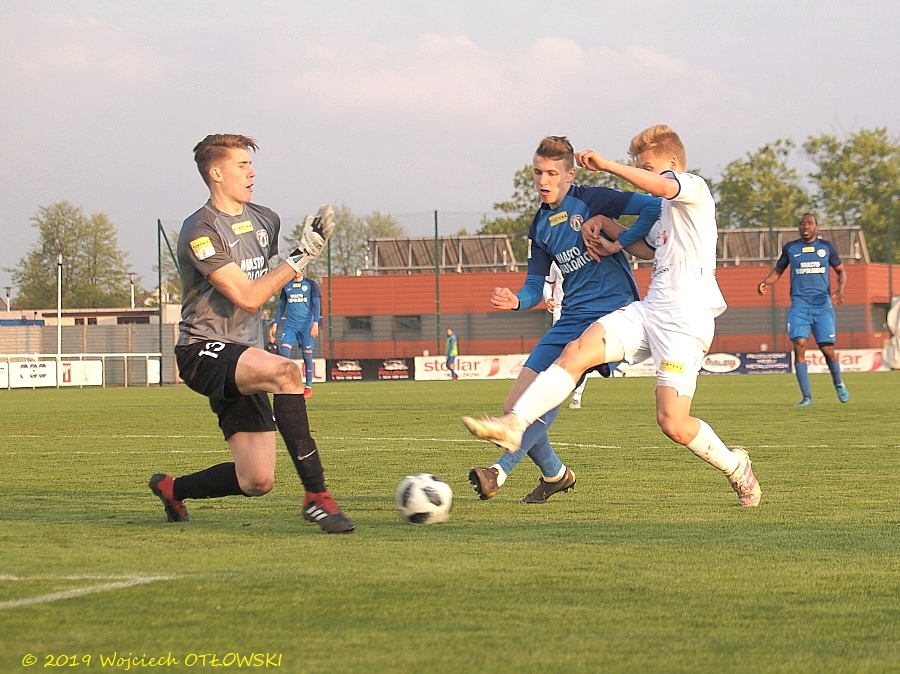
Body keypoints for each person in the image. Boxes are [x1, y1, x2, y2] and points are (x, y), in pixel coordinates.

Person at [462, 125, 762, 507]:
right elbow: (647, 249)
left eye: (647, 167)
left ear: (672, 164)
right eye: (538, 172)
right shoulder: (664, 213)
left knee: (673, 422)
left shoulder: (694, 189)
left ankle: (736, 466)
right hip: (649, 310)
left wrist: (607, 166)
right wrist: (611, 233)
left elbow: (658, 189)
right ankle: (515, 426)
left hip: (686, 321)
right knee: (575, 351)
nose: (643, 174)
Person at [148, 133, 355, 533]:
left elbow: (268, 282)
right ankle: (317, 498)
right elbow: (247, 296)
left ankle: (172, 488)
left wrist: (294, 263)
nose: (252, 172)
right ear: (216, 173)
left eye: (250, 164)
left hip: (245, 352)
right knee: (288, 373)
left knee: (257, 480)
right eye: (242, 165)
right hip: (202, 350)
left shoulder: (266, 219)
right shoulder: (199, 230)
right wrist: (301, 256)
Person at [466, 135, 661, 504]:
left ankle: (497, 472)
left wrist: (618, 238)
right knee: (513, 408)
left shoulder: (593, 200)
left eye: (552, 173)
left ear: (570, 175)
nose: (543, 180)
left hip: (609, 317)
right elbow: (534, 286)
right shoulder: (540, 226)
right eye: (538, 172)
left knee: (544, 397)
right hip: (570, 319)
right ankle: (555, 475)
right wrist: (516, 301)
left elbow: (654, 205)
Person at [757, 213, 849, 407]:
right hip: (799, 305)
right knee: (799, 344)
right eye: (802, 223)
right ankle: (807, 397)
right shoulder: (791, 248)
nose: (805, 226)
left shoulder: (826, 247)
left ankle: (838, 382)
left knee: (827, 350)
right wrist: (766, 282)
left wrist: (840, 290)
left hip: (822, 305)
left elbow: (841, 271)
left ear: (816, 227)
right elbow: (778, 270)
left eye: (809, 223)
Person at [269, 269, 321, 398]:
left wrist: (315, 323)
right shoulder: (287, 285)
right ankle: (287, 383)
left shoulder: (311, 284)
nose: (298, 270)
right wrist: (275, 323)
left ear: (303, 269)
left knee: (307, 357)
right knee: (284, 353)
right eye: (296, 268)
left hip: (306, 326)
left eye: (300, 268)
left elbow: (317, 305)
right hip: (290, 326)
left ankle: (308, 387)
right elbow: (281, 307)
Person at [543, 262, 588, 409]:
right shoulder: (555, 260)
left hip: (583, 311)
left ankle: (577, 394)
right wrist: (548, 298)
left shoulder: (587, 258)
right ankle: (554, 394)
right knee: (558, 354)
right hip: (560, 312)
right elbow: (547, 282)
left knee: (582, 353)